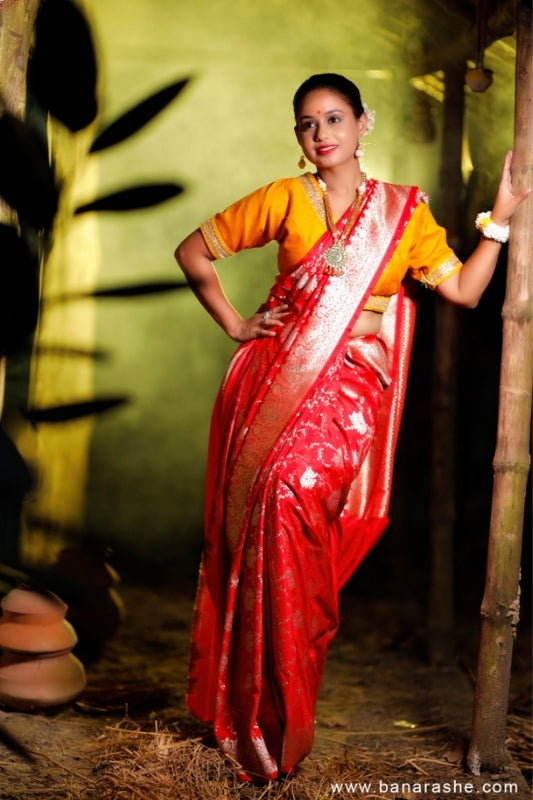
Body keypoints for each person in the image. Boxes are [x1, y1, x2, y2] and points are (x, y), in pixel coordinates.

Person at [175, 73, 530, 784]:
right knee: (271, 504)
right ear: (298, 136)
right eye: (307, 123)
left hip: (351, 389)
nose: (321, 134)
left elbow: (461, 290)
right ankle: (261, 710)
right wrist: (238, 326)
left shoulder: (403, 212)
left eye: (334, 118)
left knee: (301, 514)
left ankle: (287, 677)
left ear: (364, 122)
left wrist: (497, 221)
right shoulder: (282, 197)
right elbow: (193, 253)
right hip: (277, 378)